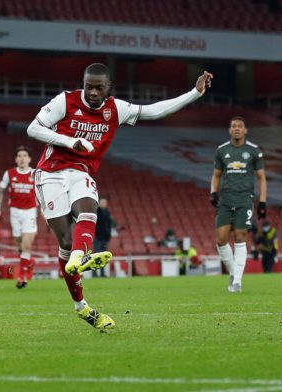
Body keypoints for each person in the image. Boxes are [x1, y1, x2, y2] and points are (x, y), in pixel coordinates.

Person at [27, 63, 212, 330]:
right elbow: (33, 128)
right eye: (88, 85)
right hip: (50, 173)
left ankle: (81, 256)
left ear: (108, 87)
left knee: (88, 207)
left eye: (98, 87)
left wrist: (194, 93)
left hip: (81, 171)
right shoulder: (65, 101)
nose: (92, 92)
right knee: (66, 242)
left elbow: (154, 111)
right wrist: (69, 141)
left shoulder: (116, 109)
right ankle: (82, 305)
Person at [211, 116, 267, 292]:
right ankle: (234, 273)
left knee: (241, 235)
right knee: (221, 240)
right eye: (233, 126)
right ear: (229, 130)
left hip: (244, 198)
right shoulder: (221, 151)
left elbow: (261, 178)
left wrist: (263, 202)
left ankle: (237, 282)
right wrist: (213, 192)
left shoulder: (254, 151)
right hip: (226, 199)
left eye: (240, 126)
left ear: (245, 130)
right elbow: (216, 175)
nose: (236, 129)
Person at [0, 146, 37, 289]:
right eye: (19, 156)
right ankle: (29, 263)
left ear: (29, 159)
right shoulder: (9, 174)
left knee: (26, 245)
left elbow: (43, 191)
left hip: (30, 211)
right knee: (19, 245)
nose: (22, 158)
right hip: (15, 212)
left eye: (25, 155)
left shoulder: (36, 174)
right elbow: (0, 191)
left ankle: (21, 277)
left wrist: (44, 208)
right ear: (16, 159)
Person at [93, 196, 114, 277]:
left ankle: (102, 273)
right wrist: (97, 234)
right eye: (102, 202)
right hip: (98, 238)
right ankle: (94, 274)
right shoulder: (96, 212)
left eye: (105, 202)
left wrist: (108, 235)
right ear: (99, 203)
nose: (103, 204)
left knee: (103, 257)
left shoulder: (107, 212)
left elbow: (109, 225)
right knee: (96, 256)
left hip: (105, 238)